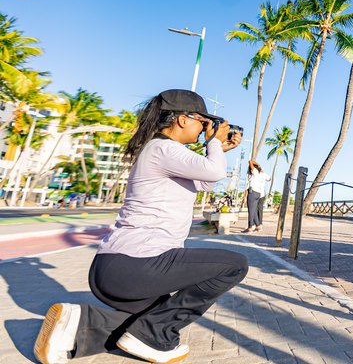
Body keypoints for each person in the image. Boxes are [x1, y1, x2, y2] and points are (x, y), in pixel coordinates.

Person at [33, 89, 245, 364]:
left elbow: (206, 180)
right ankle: (154, 336)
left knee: (155, 317)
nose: (205, 128)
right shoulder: (163, 148)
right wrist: (213, 143)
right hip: (135, 265)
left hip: (118, 270)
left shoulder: (164, 152)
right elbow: (214, 171)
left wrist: (217, 148)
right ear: (183, 119)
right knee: (234, 264)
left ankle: (77, 326)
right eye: (203, 122)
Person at [244, 160, 270, 233]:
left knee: (251, 211)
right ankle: (258, 225)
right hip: (259, 193)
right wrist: (259, 167)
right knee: (254, 210)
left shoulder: (254, 172)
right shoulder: (260, 174)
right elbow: (269, 179)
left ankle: (250, 227)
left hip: (253, 193)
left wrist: (258, 165)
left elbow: (250, 161)